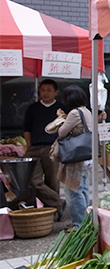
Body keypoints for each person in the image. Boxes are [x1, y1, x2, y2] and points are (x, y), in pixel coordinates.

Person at [22, 79, 66, 218]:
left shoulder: (61, 108)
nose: (45, 93)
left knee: (52, 180)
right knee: (32, 180)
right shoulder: (33, 108)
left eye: (48, 90)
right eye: (42, 90)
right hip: (34, 148)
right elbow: (27, 129)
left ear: (55, 92)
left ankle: (53, 213)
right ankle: (58, 202)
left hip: (53, 148)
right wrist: (29, 146)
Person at [54, 85, 93, 226]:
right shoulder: (86, 111)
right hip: (85, 156)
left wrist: (61, 119)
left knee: (73, 191)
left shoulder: (75, 113)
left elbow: (62, 132)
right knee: (82, 189)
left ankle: (80, 224)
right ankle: (86, 221)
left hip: (76, 158)